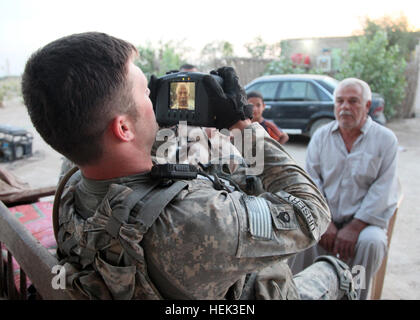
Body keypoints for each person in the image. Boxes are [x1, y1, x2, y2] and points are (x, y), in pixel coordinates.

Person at [22, 32, 356, 300]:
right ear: (123, 128)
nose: (155, 104)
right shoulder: (196, 219)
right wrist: (244, 129)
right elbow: (311, 211)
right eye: (145, 95)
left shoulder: (71, 182)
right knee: (336, 271)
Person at [289, 78, 399, 300]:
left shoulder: (386, 140)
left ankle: (354, 296)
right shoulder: (320, 137)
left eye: (353, 101)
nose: (345, 107)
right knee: (300, 232)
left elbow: (383, 188)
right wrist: (324, 221)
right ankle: (298, 294)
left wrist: (355, 227)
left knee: (372, 243)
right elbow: (311, 182)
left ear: (367, 106)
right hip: (324, 218)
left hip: (365, 223)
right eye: (339, 101)